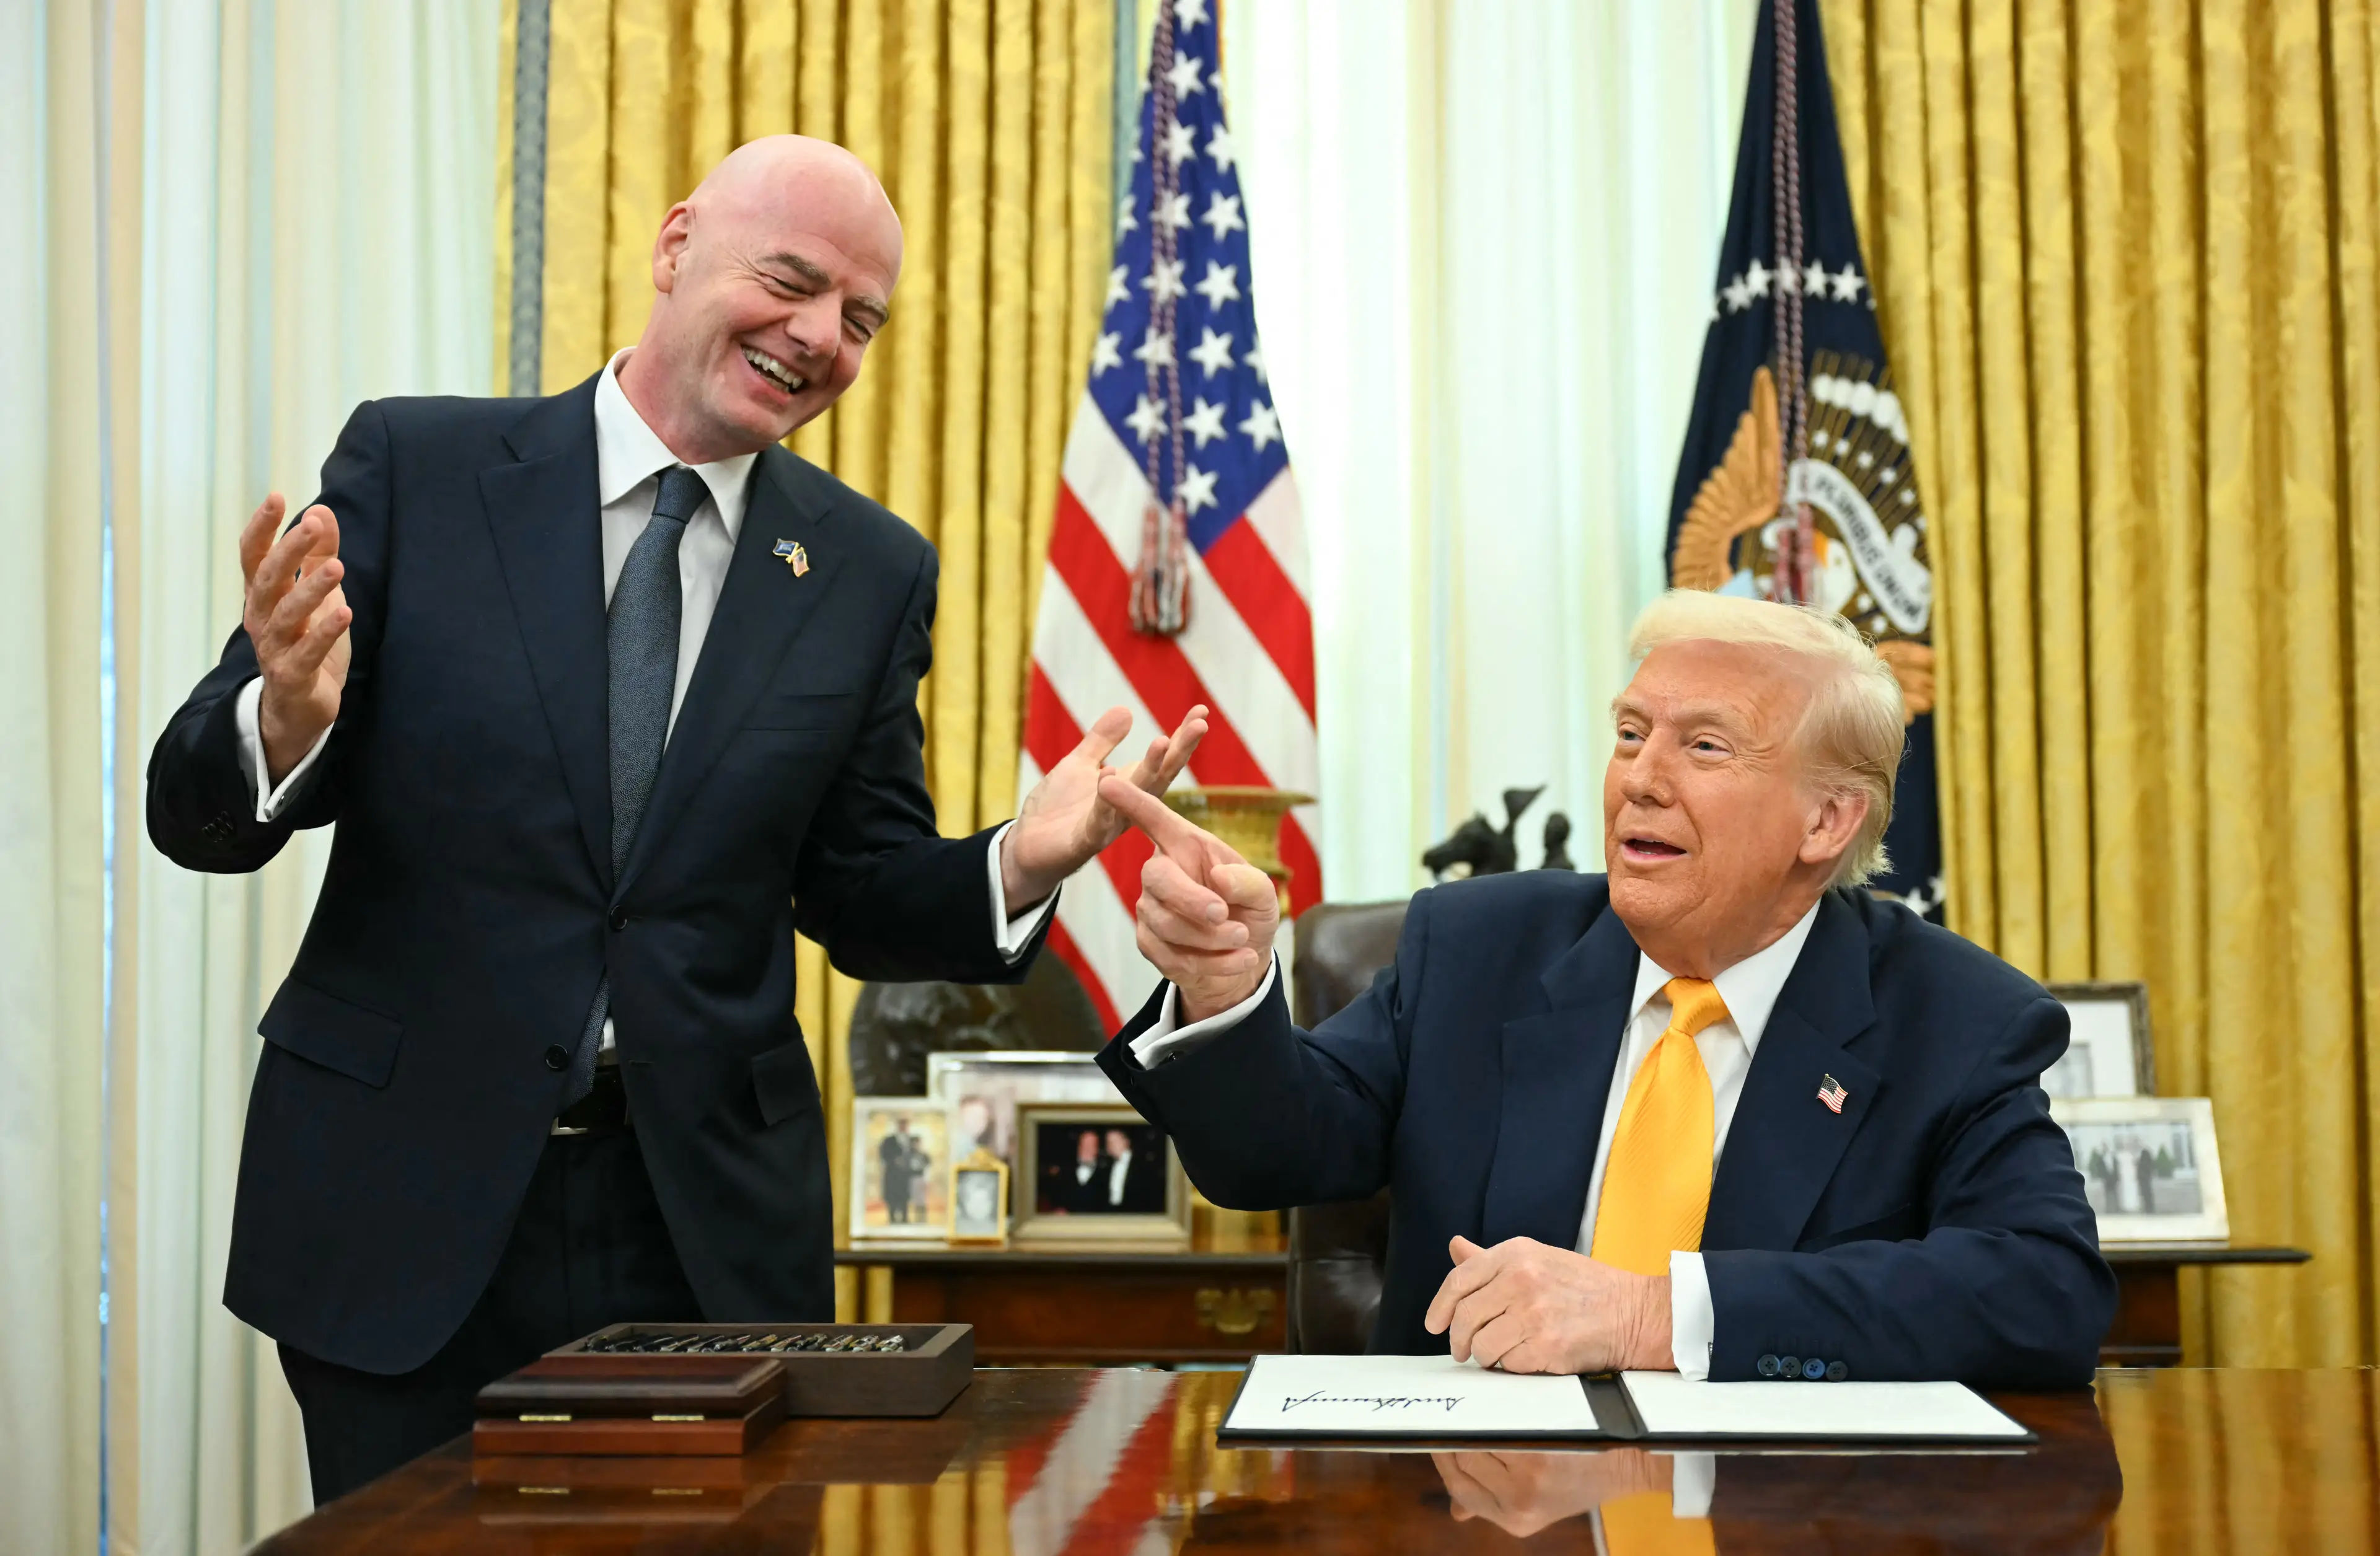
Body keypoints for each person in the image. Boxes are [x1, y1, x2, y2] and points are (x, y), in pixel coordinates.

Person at [145, 134, 1205, 1502]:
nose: (820, 336)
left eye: (862, 319)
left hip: (702, 1230)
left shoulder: (867, 571)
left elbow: (863, 887)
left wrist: (1022, 858)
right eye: (793, 279)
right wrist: (284, 716)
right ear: (674, 248)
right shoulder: (419, 462)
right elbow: (192, 809)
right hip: (405, 1200)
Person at [1093, 590, 2114, 1386]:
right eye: (1631, 733)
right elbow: (1271, 1154)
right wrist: (1227, 992)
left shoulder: (1956, 1018)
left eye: (1703, 745)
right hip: (1464, 1507)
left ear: (1828, 822)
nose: (1641, 778)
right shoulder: (1478, 948)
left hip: (1777, 1516)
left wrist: (1654, 1314)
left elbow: (2046, 1292)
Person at [1101, 1126, 1166, 1213]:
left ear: (1126, 1142)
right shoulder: (1105, 1167)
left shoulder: (1142, 1165)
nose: (1110, 1146)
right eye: (1108, 1142)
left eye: (1114, 1142)